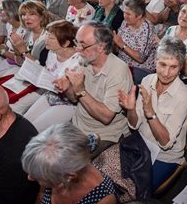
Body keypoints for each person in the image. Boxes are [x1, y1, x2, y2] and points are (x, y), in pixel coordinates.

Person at [0, 123, 116, 204]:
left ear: (69, 177)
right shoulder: (54, 168)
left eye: (38, 176)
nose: (30, 178)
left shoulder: (103, 202)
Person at [118, 36, 187, 190]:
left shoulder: (183, 96)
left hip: (165, 157)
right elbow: (134, 123)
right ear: (155, 61)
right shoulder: (147, 81)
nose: (166, 72)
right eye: (162, 64)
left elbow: (165, 143)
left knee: (133, 188)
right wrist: (131, 109)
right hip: (141, 144)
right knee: (111, 174)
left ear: (181, 67)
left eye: (173, 67)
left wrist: (150, 112)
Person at [54, 21, 133, 154]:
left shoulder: (119, 71)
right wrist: (67, 88)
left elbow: (106, 117)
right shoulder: (83, 59)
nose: (77, 49)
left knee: (65, 164)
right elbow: (74, 99)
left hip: (105, 134)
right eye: (76, 42)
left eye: (83, 45)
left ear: (101, 47)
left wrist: (81, 90)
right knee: (47, 150)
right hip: (79, 124)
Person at [23, 20, 81, 131]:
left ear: (65, 43)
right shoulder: (52, 52)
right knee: (24, 123)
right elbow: (47, 73)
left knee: (35, 129)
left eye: (51, 38)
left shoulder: (78, 60)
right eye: (47, 35)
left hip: (69, 103)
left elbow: (74, 95)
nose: (46, 40)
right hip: (51, 94)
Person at [114, 0, 157, 84]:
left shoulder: (146, 28)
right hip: (122, 63)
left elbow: (141, 58)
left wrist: (121, 44)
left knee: (116, 79)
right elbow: (116, 45)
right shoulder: (125, 23)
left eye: (128, 14)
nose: (125, 16)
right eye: (124, 13)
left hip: (140, 68)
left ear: (139, 16)